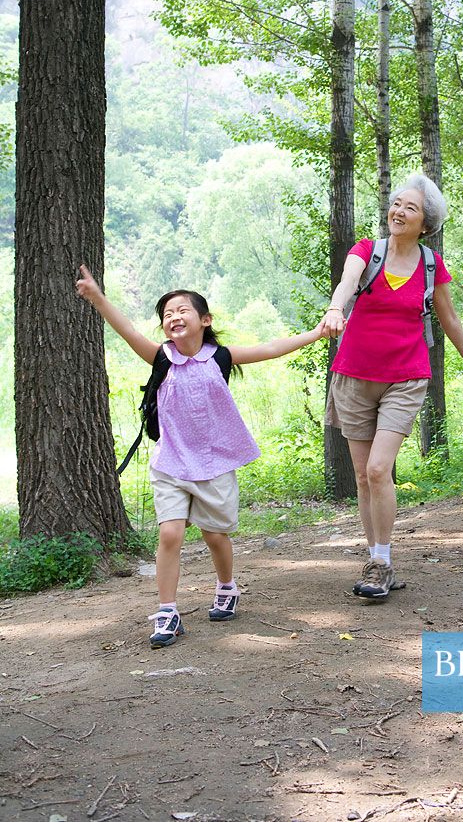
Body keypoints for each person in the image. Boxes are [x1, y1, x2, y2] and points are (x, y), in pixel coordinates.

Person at [76, 266, 324, 647]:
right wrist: (97, 297)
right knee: (170, 533)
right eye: (167, 315)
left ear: (205, 321)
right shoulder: (160, 357)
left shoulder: (221, 357)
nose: (174, 317)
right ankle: (167, 612)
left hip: (213, 463)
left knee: (215, 535)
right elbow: (126, 330)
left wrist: (318, 332)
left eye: (182, 311)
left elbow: (272, 347)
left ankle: (226, 586)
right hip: (171, 462)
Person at [321, 175, 463, 601]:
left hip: (406, 377)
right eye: (395, 204)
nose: (398, 211)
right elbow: (347, 283)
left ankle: (384, 561)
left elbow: (450, 318)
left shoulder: (431, 265)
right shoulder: (366, 252)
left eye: (409, 207)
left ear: (427, 221)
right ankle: (374, 558)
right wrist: (336, 308)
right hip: (354, 374)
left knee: (377, 469)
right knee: (362, 476)